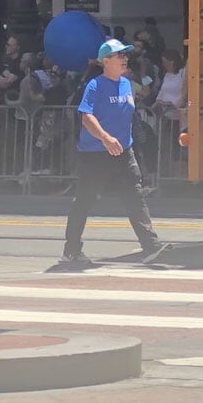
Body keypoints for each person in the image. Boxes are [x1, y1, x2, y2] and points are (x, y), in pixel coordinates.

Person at [59, 39, 170, 270]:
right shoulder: (95, 85)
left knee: (135, 195)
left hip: (123, 151)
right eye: (119, 55)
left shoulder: (127, 85)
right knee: (84, 201)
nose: (124, 58)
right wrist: (105, 137)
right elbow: (86, 117)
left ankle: (150, 246)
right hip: (95, 154)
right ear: (105, 61)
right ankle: (71, 251)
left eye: (125, 55)